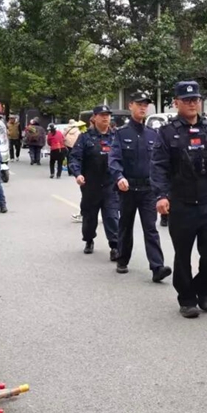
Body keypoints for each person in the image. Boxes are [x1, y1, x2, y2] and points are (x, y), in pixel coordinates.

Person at [151, 82, 207, 318]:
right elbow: (158, 166)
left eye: (195, 100)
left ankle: (202, 289)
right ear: (176, 102)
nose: (192, 104)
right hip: (181, 203)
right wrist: (161, 195)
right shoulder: (167, 132)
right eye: (186, 100)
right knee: (183, 255)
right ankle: (187, 298)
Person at [109, 91, 171, 281]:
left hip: (148, 190)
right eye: (139, 104)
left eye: (145, 105)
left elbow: (159, 162)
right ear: (131, 106)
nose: (143, 108)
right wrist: (119, 177)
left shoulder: (153, 134)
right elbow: (114, 159)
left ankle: (157, 267)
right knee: (125, 226)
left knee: (150, 228)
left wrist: (163, 188)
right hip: (127, 189)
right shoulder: (121, 134)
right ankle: (122, 259)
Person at [69, 105, 119, 260]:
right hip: (91, 185)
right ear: (94, 117)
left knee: (112, 216)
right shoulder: (85, 137)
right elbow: (75, 157)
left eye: (108, 115)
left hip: (111, 185)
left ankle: (115, 246)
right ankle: (89, 239)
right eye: (102, 115)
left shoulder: (116, 136)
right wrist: (78, 174)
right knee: (89, 217)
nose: (105, 118)